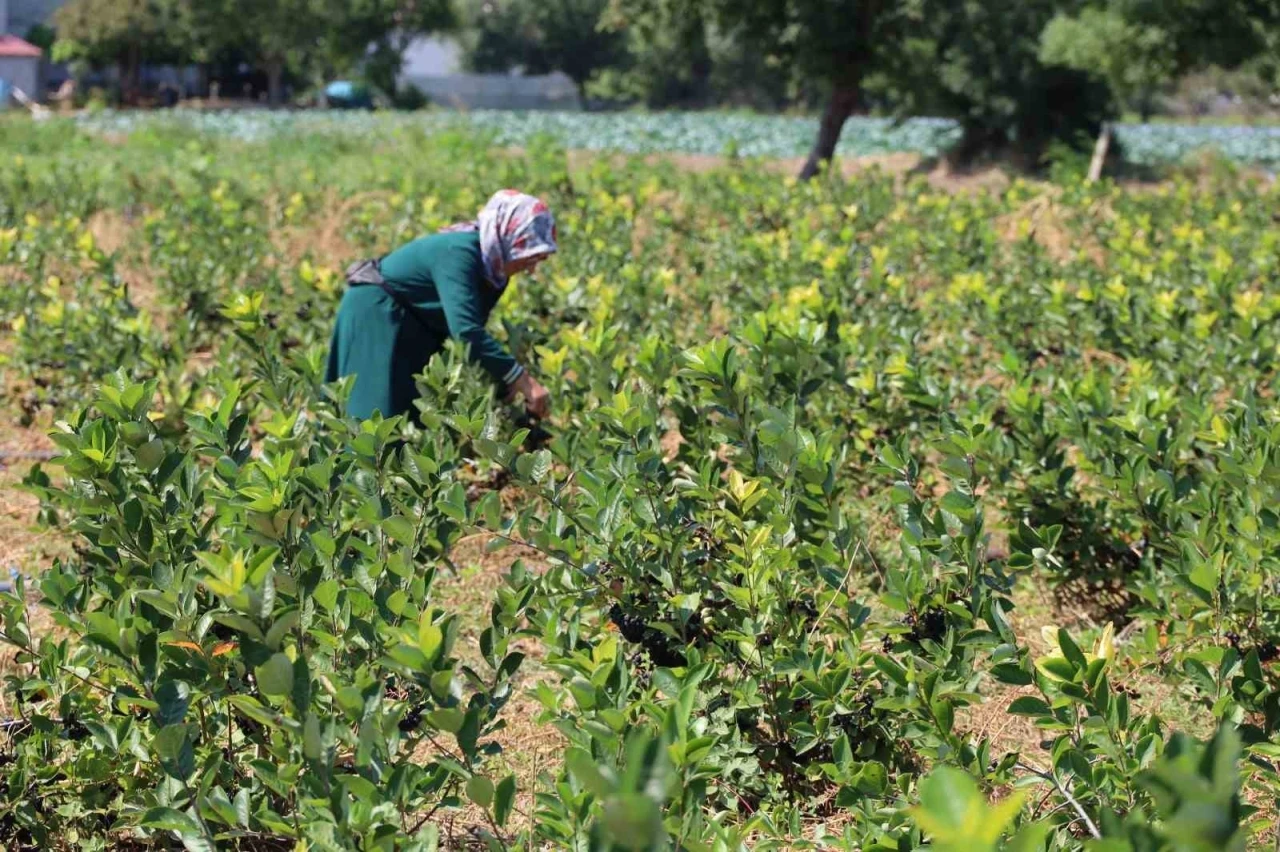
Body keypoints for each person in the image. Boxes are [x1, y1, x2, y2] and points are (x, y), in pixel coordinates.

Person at [326, 189, 556, 422]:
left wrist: (504, 384)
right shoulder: (459, 253)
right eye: (528, 255)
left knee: (411, 420)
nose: (531, 269)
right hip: (377, 314)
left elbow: (472, 342)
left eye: (538, 258)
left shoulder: (494, 273)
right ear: (507, 235)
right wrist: (522, 380)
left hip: (414, 327)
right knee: (373, 418)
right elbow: (465, 331)